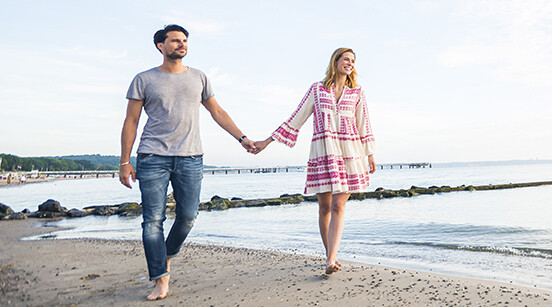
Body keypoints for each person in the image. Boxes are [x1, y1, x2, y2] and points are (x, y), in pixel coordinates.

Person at [118, 24, 256, 301]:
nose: (181, 45)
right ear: (161, 46)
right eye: (175, 41)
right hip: (152, 157)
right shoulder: (143, 79)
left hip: (191, 158)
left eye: (184, 41)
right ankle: (160, 278)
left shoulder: (199, 78)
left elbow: (217, 111)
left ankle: (165, 255)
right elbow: (131, 121)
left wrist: (242, 138)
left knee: (188, 217)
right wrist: (124, 161)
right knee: (152, 221)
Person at [252, 47, 377, 275]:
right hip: (324, 151)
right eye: (345, 59)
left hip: (350, 152)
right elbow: (297, 117)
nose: (349, 63)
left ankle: (330, 260)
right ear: (335, 61)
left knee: (339, 205)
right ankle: (331, 253)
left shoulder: (357, 91)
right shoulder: (317, 89)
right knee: (324, 207)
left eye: (353, 61)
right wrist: (267, 141)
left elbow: (363, 123)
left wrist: (369, 154)